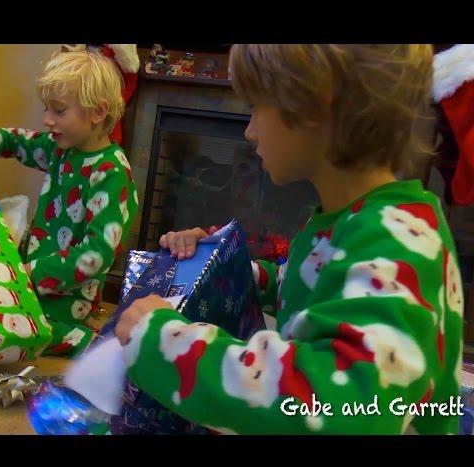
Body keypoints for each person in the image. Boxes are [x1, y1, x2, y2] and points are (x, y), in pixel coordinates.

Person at [115, 44, 464, 434]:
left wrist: (166, 344)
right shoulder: (350, 222)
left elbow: (340, 407)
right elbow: (311, 286)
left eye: (255, 109)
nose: (249, 131)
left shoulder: (400, 241)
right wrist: (221, 267)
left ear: (313, 105)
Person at [0, 50, 138, 356]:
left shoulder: (111, 174)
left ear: (98, 112)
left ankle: (88, 343)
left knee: (8, 331)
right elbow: (16, 140)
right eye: (47, 109)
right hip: (30, 281)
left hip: (67, 301)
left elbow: (96, 255)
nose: (47, 119)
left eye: (59, 110)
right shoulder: (60, 149)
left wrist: (29, 272)